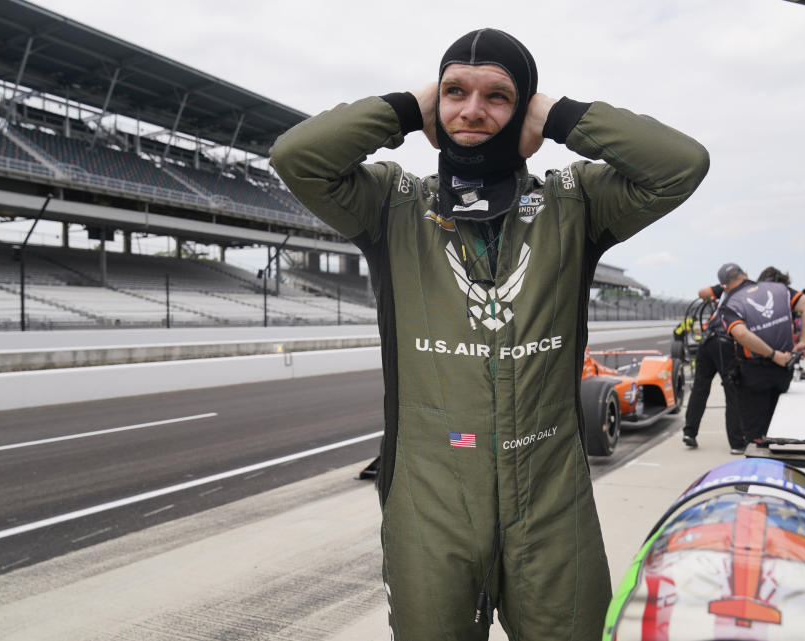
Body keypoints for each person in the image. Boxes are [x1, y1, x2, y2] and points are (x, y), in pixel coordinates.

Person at [270, 28, 709, 641]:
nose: (472, 110)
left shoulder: (574, 201)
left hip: (552, 497)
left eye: (498, 96)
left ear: (524, 106)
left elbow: (680, 165)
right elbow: (297, 158)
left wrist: (557, 116)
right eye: (454, 91)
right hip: (430, 498)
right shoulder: (391, 202)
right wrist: (406, 107)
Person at [720, 262, 805, 445]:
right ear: (746, 274)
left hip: (754, 375)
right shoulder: (780, 289)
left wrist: (773, 354)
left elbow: (741, 334)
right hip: (784, 371)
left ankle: (759, 467)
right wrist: (804, 342)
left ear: (724, 286)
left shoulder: (729, 305)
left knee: (756, 436)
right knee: (779, 429)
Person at [681, 274, 745, 454]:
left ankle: (690, 432)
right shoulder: (745, 292)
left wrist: (720, 288)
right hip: (725, 344)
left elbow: (702, 293)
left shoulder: (723, 288)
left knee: (700, 388)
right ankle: (737, 443)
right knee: (733, 392)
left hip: (707, 341)